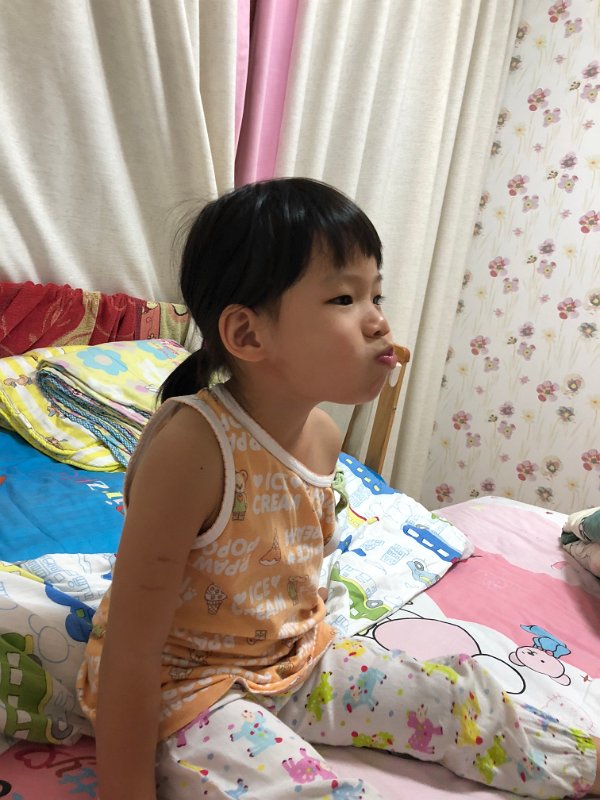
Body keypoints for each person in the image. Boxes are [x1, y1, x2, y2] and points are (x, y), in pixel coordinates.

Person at [76, 178, 600, 800]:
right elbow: (132, 648)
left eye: (377, 294)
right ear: (248, 335)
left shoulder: (323, 436)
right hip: (189, 685)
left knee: (454, 694)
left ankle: (582, 767)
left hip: (295, 658)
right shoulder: (192, 446)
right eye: (346, 298)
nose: (379, 320)